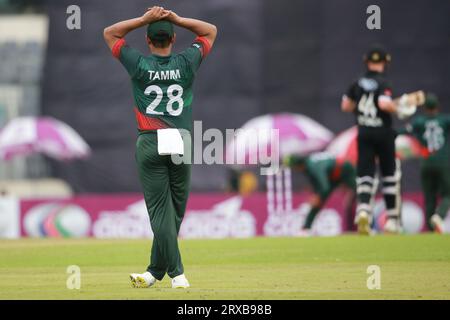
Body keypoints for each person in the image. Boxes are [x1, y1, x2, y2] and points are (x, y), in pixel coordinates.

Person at [103, 6, 217, 288]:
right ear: (174, 39)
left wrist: (143, 19)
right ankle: (163, 272)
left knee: (161, 212)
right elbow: (210, 31)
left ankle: (164, 272)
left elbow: (110, 33)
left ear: (148, 41)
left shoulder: (139, 64)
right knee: (174, 210)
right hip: (180, 139)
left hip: (150, 139)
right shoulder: (188, 61)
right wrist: (177, 18)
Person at [341, 45, 412, 235]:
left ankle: (363, 208)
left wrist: (360, 108)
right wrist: (398, 108)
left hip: (363, 132)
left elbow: (345, 105)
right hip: (383, 133)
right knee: (389, 174)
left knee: (365, 173)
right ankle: (392, 220)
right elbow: (383, 103)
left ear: (367, 62)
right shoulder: (383, 82)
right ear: (384, 63)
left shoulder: (356, 83)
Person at [402, 93, 450, 233]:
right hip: (442, 162)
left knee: (429, 197)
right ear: (437, 106)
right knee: (448, 194)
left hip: (426, 163)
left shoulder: (419, 121)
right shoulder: (445, 120)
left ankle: (430, 229)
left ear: (424, 107)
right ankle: (439, 216)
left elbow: (403, 131)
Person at [284, 152, 356, 234]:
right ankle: (305, 229)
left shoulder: (313, 167)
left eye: (293, 167)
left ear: (297, 165)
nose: (293, 170)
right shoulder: (308, 167)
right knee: (318, 201)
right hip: (333, 174)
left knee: (361, 192)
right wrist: (316, 196)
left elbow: (325, 187)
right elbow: (319, 186)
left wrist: (317, 197)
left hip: (345, 168)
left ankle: (369, 223)